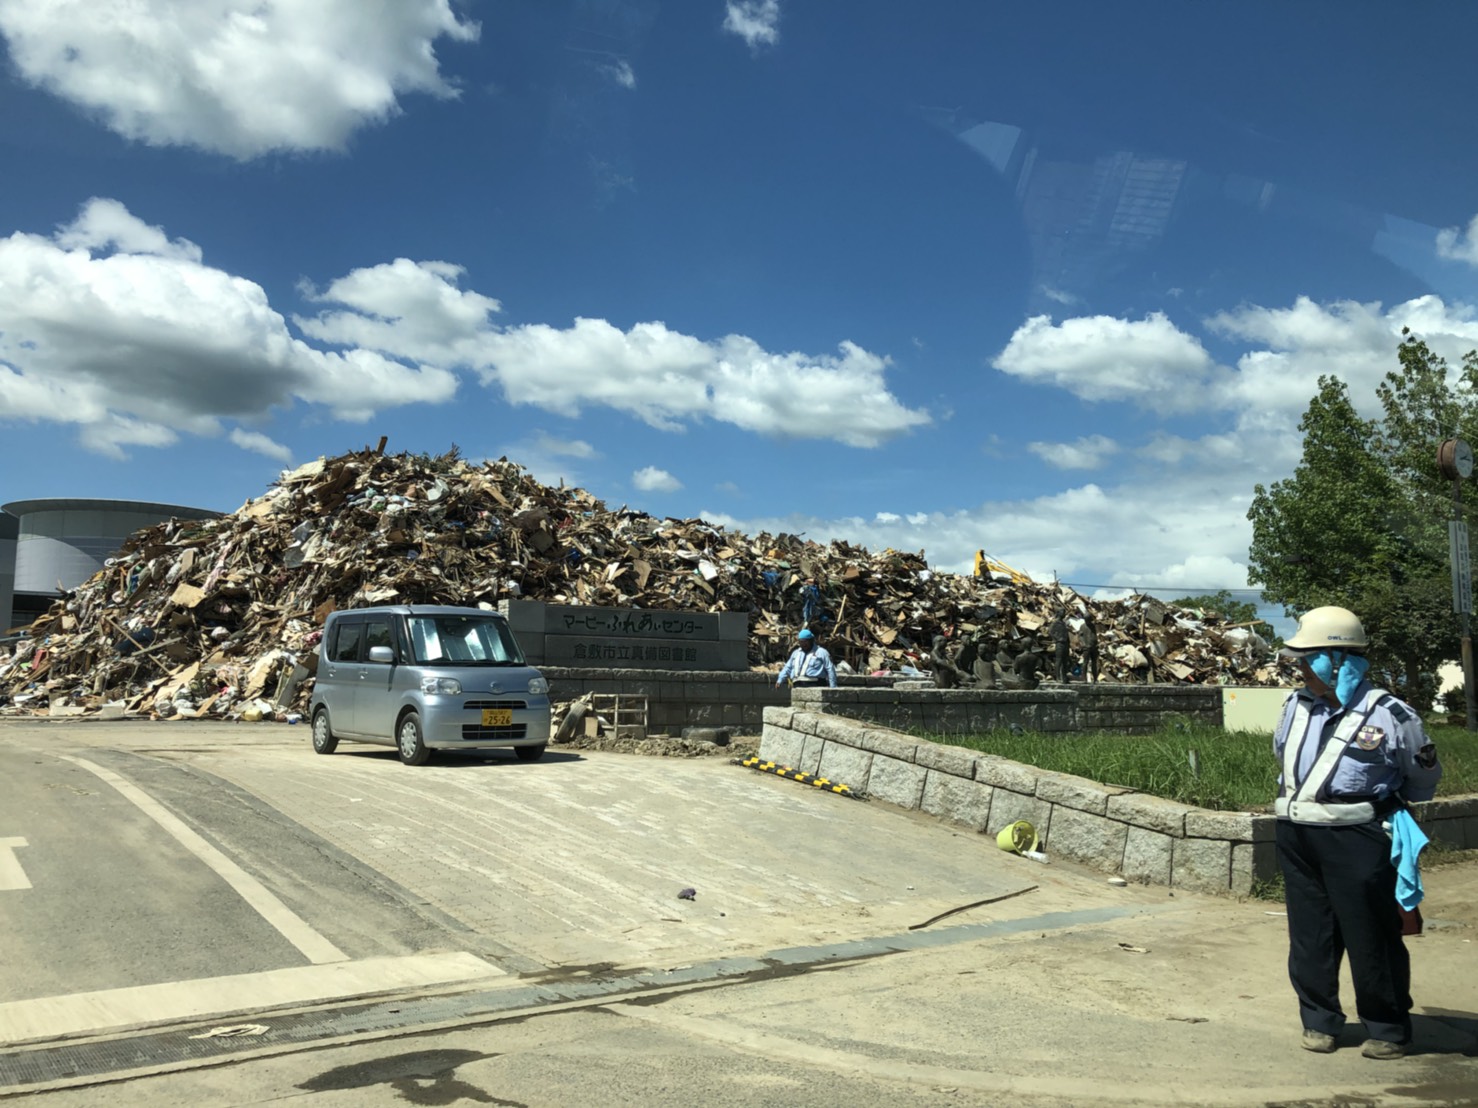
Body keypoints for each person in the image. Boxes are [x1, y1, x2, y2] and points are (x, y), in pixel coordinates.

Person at [1272, 606, 1442, 1060]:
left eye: (1309, 659)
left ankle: (1386, 1026)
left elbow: (1421, 778)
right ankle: (1320, 1020)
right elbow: (1282, 757)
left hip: (1358, 837)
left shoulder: (1390, 713)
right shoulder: (1294, 706)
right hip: (1297, 834)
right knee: (1310, 934)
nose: (1301, 668)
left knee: (1370, 934)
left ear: (1340, 659)